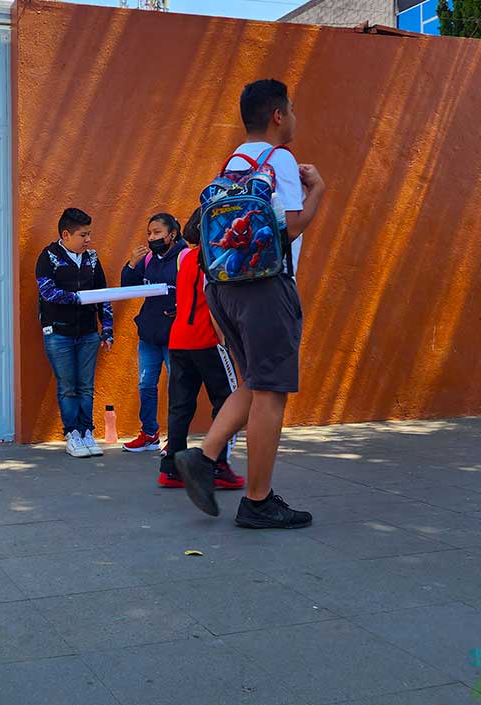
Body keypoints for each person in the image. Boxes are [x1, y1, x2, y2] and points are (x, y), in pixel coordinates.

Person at [174, 78, 326, 529]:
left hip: (223, 288)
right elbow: (292, 227)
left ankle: (202, 457)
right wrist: (318, 190)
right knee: (272, 392)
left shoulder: (234, 161)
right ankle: (258, 501)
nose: (295, 117)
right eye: (292, 109)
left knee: (255, 382)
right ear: (278, 115)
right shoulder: (281, 159)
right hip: (265, 285)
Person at [157, 207, 244, 491]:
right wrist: (227, 342)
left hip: (179, 338)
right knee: (228, 401)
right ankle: (218, 464)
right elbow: (215, 306)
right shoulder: (216, 259)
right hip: (206, 339)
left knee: (180, 406)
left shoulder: (185, 257)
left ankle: (171, 469)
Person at [35, 208, 112, 458]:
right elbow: (48, 292)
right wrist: (78, 299)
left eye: (89, 234)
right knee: (68, 386)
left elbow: (103, 293)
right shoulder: (48, 257)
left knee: (86, 386)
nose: (88, 239)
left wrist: (107, 329)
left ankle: (87, 431)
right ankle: (72, 434)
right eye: (83, 235)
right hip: (58, 334)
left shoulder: (92, 258)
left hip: (89, 333)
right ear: (66, 234)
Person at [119, 213, 183, 453]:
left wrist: (181, 308)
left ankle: (176, 438)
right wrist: (132, 264)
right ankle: (149, 434)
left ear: (172, 234)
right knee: (146, 385)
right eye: (149, 233)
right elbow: (127, 289)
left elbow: (197, 289)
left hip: (174, 335)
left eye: (157, 232)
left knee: (177, 387)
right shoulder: (148, 260)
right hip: (149, 335)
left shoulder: (184, 257)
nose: (152, 237)